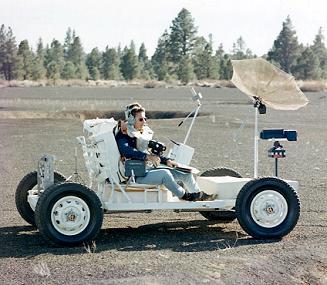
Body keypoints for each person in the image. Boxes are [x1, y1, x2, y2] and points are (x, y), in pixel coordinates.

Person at [115, 104, 216, 202]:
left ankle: (199, 196)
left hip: (148, 169)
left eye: (145, 119)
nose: (144, 122)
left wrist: (167, 161)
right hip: (136, 175)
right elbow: (126, 151)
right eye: (141, 119)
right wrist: (147, 157)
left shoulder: (141, 133)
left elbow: (151, 154)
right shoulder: (123, 134)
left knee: (185, 173)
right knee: (165, 174)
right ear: (132, 120)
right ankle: (185, 196)